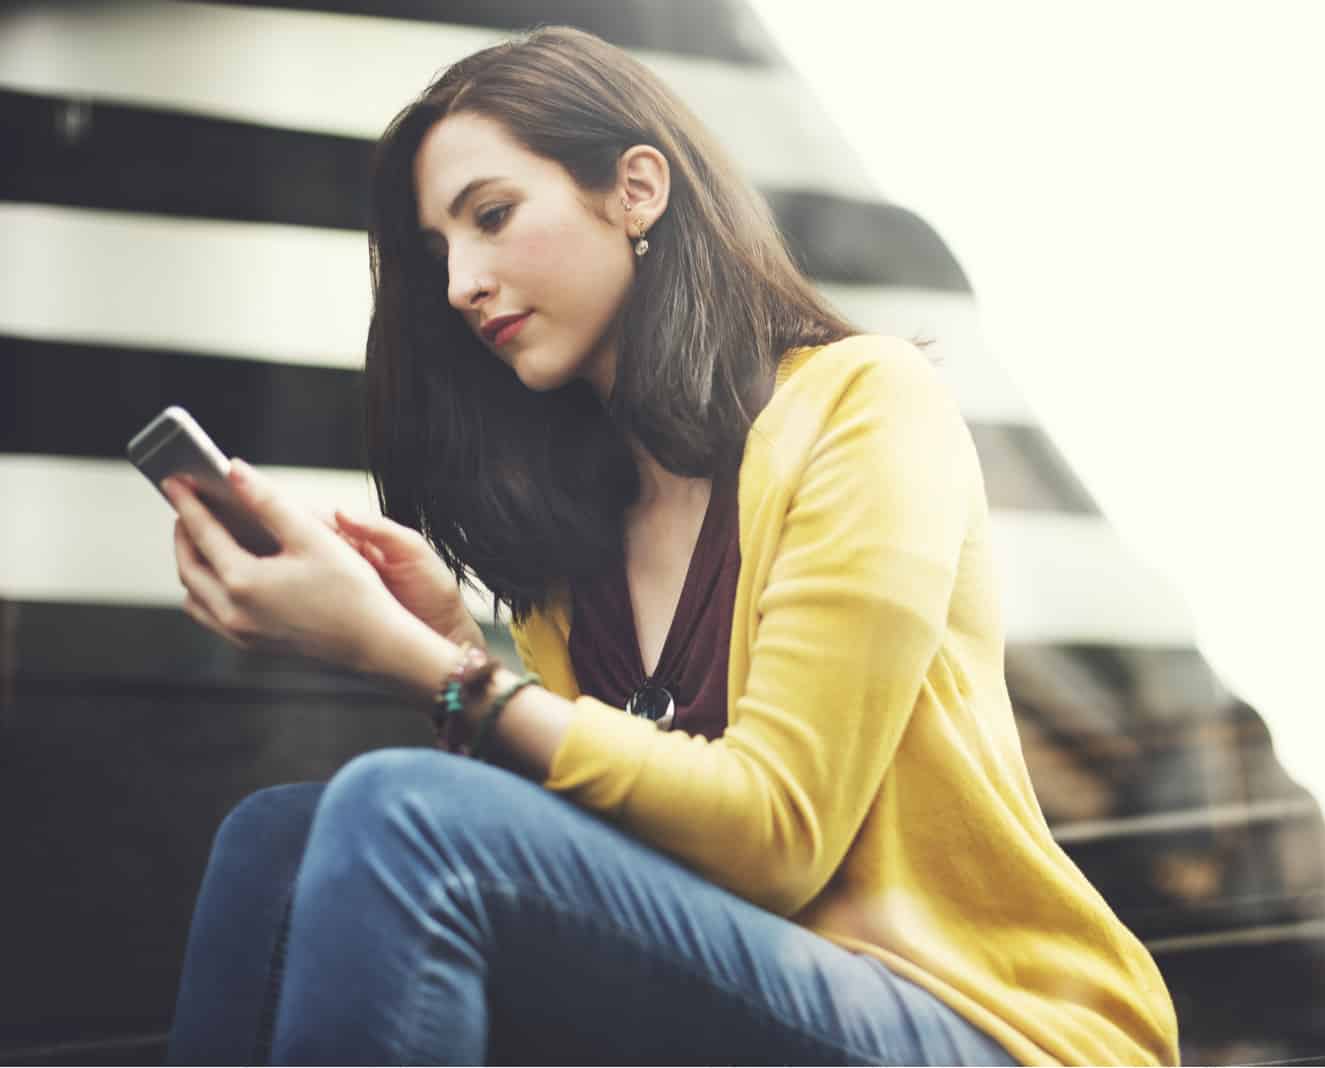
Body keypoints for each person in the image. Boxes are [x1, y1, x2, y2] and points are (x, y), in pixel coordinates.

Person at [163, 25, 1178, 1066]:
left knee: (398, 811)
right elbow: (624, 848)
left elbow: (773, 835)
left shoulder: (866, 405)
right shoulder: (570, 550)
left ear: (636, 189)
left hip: (983, 1023)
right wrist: (447, 641)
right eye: (439, 254)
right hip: (756, 994)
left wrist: (429, 669)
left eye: (493, 217)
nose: (463, 281)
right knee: (276, 840)